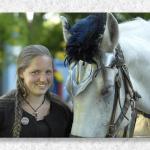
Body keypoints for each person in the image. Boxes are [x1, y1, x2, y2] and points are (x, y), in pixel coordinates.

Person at [0, 45, 73, 137]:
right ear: (21, 72)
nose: (43, 79)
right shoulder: (3, 109)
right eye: (35, 72)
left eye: (48, 72)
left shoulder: (62, 110)